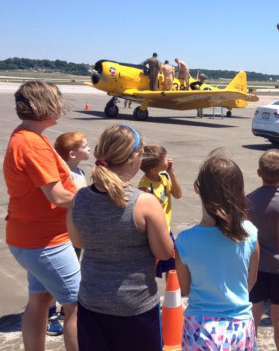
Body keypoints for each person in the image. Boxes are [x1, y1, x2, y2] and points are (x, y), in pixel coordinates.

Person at [67, 125, 173, 351]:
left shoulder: (79, 198)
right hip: (135, 307)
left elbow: (79, 243)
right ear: (135, 159)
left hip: (92, 303)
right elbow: (164, 253)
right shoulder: (144, 202)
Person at [4, 80, 80, 351]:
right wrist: (97, 197)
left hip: (30, 238)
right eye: (56, 101)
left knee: (40, 299)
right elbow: (58, 196)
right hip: (45, 242)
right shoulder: (33, 144)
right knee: (77, 304)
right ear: (42, 106)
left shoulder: (27, 136)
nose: (60, 106)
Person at [175, 150, 260, 351]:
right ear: (239, 190)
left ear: (198, 188)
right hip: (240, 326)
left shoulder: (185, 241)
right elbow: (251, 279)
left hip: (200, 328)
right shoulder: (249, 232)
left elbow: (185, 288)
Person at [247, 149, 279, 351]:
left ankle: (248, 346)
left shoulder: (248, 200)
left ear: (258, 172)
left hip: (255, 266)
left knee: (254, 311)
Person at [138, 144, 183, 277]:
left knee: (172, 266)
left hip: (166, 229)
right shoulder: (145, 187)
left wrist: (171, 172)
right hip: (156, 232)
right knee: (153, 267)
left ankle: (172, 293)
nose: (168, 159)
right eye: (164, 159)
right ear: (154, 169)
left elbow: (178, 194)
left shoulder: (164, 175)